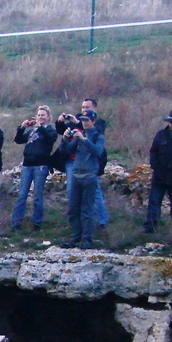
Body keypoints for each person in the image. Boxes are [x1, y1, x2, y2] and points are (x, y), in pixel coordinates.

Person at [59, 112, 105, 249]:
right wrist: (65, 139)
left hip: (90, 176)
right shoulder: (79, 135)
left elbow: (98, 152)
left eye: (87, 120)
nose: (84, 123)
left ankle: (87, 239)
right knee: (73, 208)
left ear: (93, 121)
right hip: (76, 175)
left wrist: (84, 140)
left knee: (87, 209)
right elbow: (65, 150)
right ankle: (75, 237)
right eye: (82, 120)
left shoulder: (98, 136)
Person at [11, 106, 58, 232]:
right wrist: (22, 128)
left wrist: (40, 127)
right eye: (38, 115)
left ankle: (37, 222)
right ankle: (16, 222)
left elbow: (50, 139)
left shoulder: (50, 131)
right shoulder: (32, 131)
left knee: (38, 195)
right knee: (22, 195)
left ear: (48, 117)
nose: (40, 117)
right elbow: (18, 140)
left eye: (43, 115)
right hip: (27, 165)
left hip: (41, 165)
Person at [82, 98, 109, 230]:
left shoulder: (99, 124)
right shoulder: (81, 122)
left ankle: (102, 220)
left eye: (87, 107)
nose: (84, 110)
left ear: (95, 108)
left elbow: (96, 141)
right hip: (81, 164)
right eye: (83, 107)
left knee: (96, 192)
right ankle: (88, 221)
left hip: (94, 162)